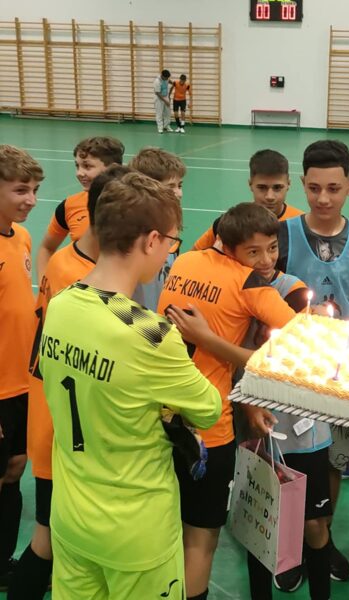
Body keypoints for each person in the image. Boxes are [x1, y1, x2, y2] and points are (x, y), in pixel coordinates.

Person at [39, 172, 221, 599]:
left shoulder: (61, 303)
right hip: (135, 529)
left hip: (71, 516)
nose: (170, 251)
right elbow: (208, 408)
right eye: (172, 241)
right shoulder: (149, 331)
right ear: (151, 240)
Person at [167, 203, 334, 600]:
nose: (265, 260)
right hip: (209, 424)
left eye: (272, 249)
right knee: (201, 539)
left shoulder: (185, 261)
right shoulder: (250, 284)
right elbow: (297, 345)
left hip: (162, 412)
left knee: (173, 524)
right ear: (229, 247)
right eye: (253, 252)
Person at [8, 165, 130, 600]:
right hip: (59, 426)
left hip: (64, 419)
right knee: (46, 538)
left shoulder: (76, 261)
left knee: (60, 537)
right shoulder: (78, 275)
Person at [274, 139, 349, 589]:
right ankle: (288, 542)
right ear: (302, 183)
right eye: (314, 188)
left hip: (341, 370)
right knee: (288, 461)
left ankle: (323, 536)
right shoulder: (281, 235)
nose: (323, 198)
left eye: (334, 188)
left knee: (334, 459)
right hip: (291, 371)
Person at [0, 146, 44, 591]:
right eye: (20, 190)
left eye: (34, 190)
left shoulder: (22, 236)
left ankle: (2, 561)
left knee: (14, 468)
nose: (30, 199)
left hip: (20, 385)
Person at [36, 137, 124, 281]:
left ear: (112, 168)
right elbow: (46, 248)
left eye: (87, 166)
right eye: (77, 166)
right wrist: (44, 284)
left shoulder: (133, 206)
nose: (79, 173)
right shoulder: (70, 205)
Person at [192, 149, 303, 251]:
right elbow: (194, 254)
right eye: (262, 187)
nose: (270, 196)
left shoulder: (302, 224)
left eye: (277, 187)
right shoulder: (229, 224)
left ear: (288, 184)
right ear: (250, 184)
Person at [128, 147, 186, 310]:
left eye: (179, 185)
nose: (179, 193)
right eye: (170, 187)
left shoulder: (169, 226)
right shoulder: (133, 236)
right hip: (139, 319)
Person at [154, 69, 173, 133]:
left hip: (165, 96)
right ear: (162, 76)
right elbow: (158, 93)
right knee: (159, 114)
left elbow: (169, 81)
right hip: (159, 98)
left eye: (168, 78)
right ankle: (160, 128)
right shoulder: (157, 81)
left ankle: (166, 126)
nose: (167, 79)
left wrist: (173, 83)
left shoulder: (166, 78)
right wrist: (166, 101)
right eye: (166, 78)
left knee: (168, 113)